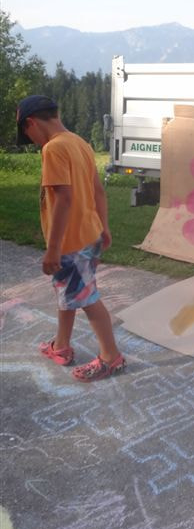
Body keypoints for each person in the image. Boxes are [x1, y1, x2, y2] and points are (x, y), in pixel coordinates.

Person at [16, 95, 125, 382]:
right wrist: (104, 227)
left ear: (31, 123)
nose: (33, 141)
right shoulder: (79, 143)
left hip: (70, 243)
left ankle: (111, 357)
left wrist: (53, 249)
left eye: (28, 135)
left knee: (88, 299)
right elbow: (98, 190)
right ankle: (61, 346)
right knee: (70, 292)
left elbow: (63, 199)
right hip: (88, 234)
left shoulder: (53, 148)